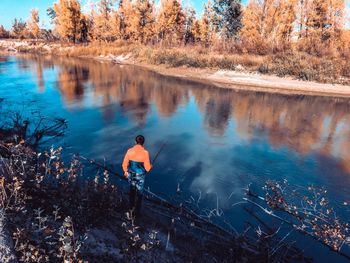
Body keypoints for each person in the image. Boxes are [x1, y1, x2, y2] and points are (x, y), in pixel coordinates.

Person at [122, 135, 152, 218]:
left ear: (135, 142)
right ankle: (137, 212)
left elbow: (124, 164)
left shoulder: (129, 151)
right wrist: (150, 166)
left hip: (131, 175)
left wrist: (125, 171)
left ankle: (131, 210)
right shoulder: (145, 153)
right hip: (140, 176)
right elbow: (147, 168)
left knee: (132, 192)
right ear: (143, 143)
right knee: (139, 194)